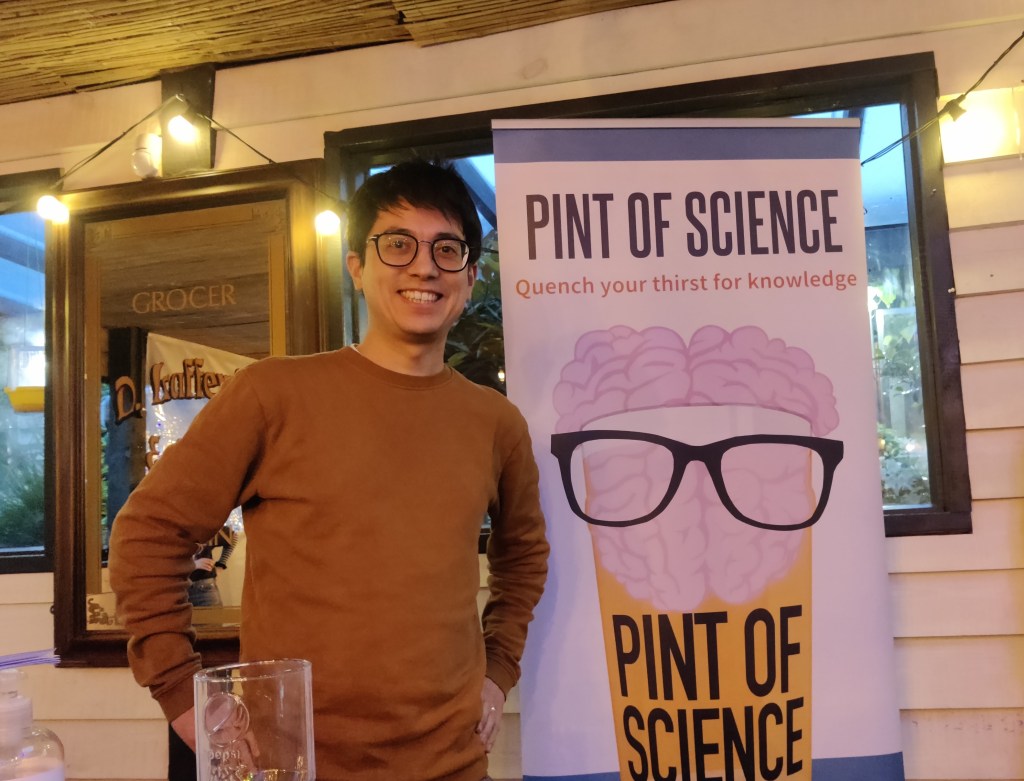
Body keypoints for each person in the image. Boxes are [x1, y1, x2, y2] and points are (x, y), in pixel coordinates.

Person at [109, 159, 550, 781]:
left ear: (470, 278)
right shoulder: (271, 395)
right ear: (356, 267)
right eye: (398, 244)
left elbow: (524, 558)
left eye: (447, 250)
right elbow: (147, 533)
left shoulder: (496, 423)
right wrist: (184, 698)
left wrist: (498, 671)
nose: (424, 267)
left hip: (450, 762)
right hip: (295, 762)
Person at [187, 524, 238, 608]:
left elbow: (233, 536)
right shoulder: (172, 529)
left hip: (205, 587)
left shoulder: (205, 528)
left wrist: (221, 565)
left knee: (214, 619)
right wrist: (192, 564)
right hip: (181, 589)